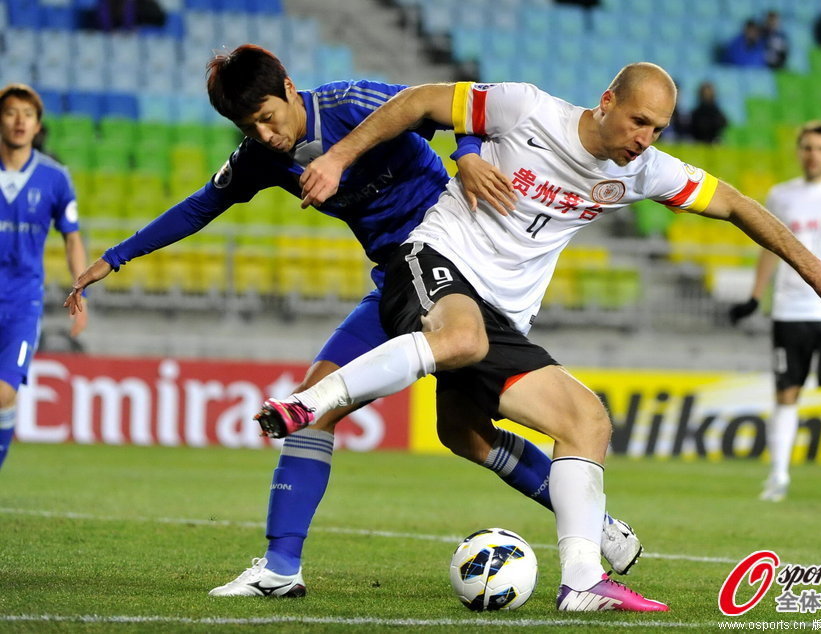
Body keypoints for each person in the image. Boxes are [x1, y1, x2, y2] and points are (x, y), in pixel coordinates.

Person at [255, 64, 821, 610]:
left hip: (504, 317)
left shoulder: (645, 170)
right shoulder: (527, 108)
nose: (644, 139)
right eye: (637, 121)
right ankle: (308, 404)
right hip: (436, 261)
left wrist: (817, 272)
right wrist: (338, 159)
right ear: (606, 101)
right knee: (461, 338)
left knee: (582, 422)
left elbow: (733, 203)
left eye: (657, 128)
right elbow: (420, 102)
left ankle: (581, 580)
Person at [64, 45, 643, 598]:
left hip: (457, 270)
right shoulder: (264, 157)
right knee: (339, 410)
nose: (266, 135)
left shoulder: (354, 104)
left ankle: (596, 526)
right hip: (397, 281)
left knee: (461, 428)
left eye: (268, 117)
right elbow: (199, 205)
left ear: (290, 88)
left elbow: (453, 104)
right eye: (250, 128)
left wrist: (466, 155)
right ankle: (280, 567)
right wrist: (116, 257)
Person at [728, 121, 821, 505]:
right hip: (790, 310)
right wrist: (754, 296)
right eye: (808, 147)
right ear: (799, 151)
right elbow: (769, 248)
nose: (813, 154)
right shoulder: (781, 197)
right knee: (786, 394)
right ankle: (778, 477)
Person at [0, 83, 89, 472]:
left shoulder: (55, 178)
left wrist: (80, 287)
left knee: (3, 393)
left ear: (38, 126)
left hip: (22, 302)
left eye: (28, 115)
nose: (19, 121)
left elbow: (72, 239)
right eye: (11, 113)